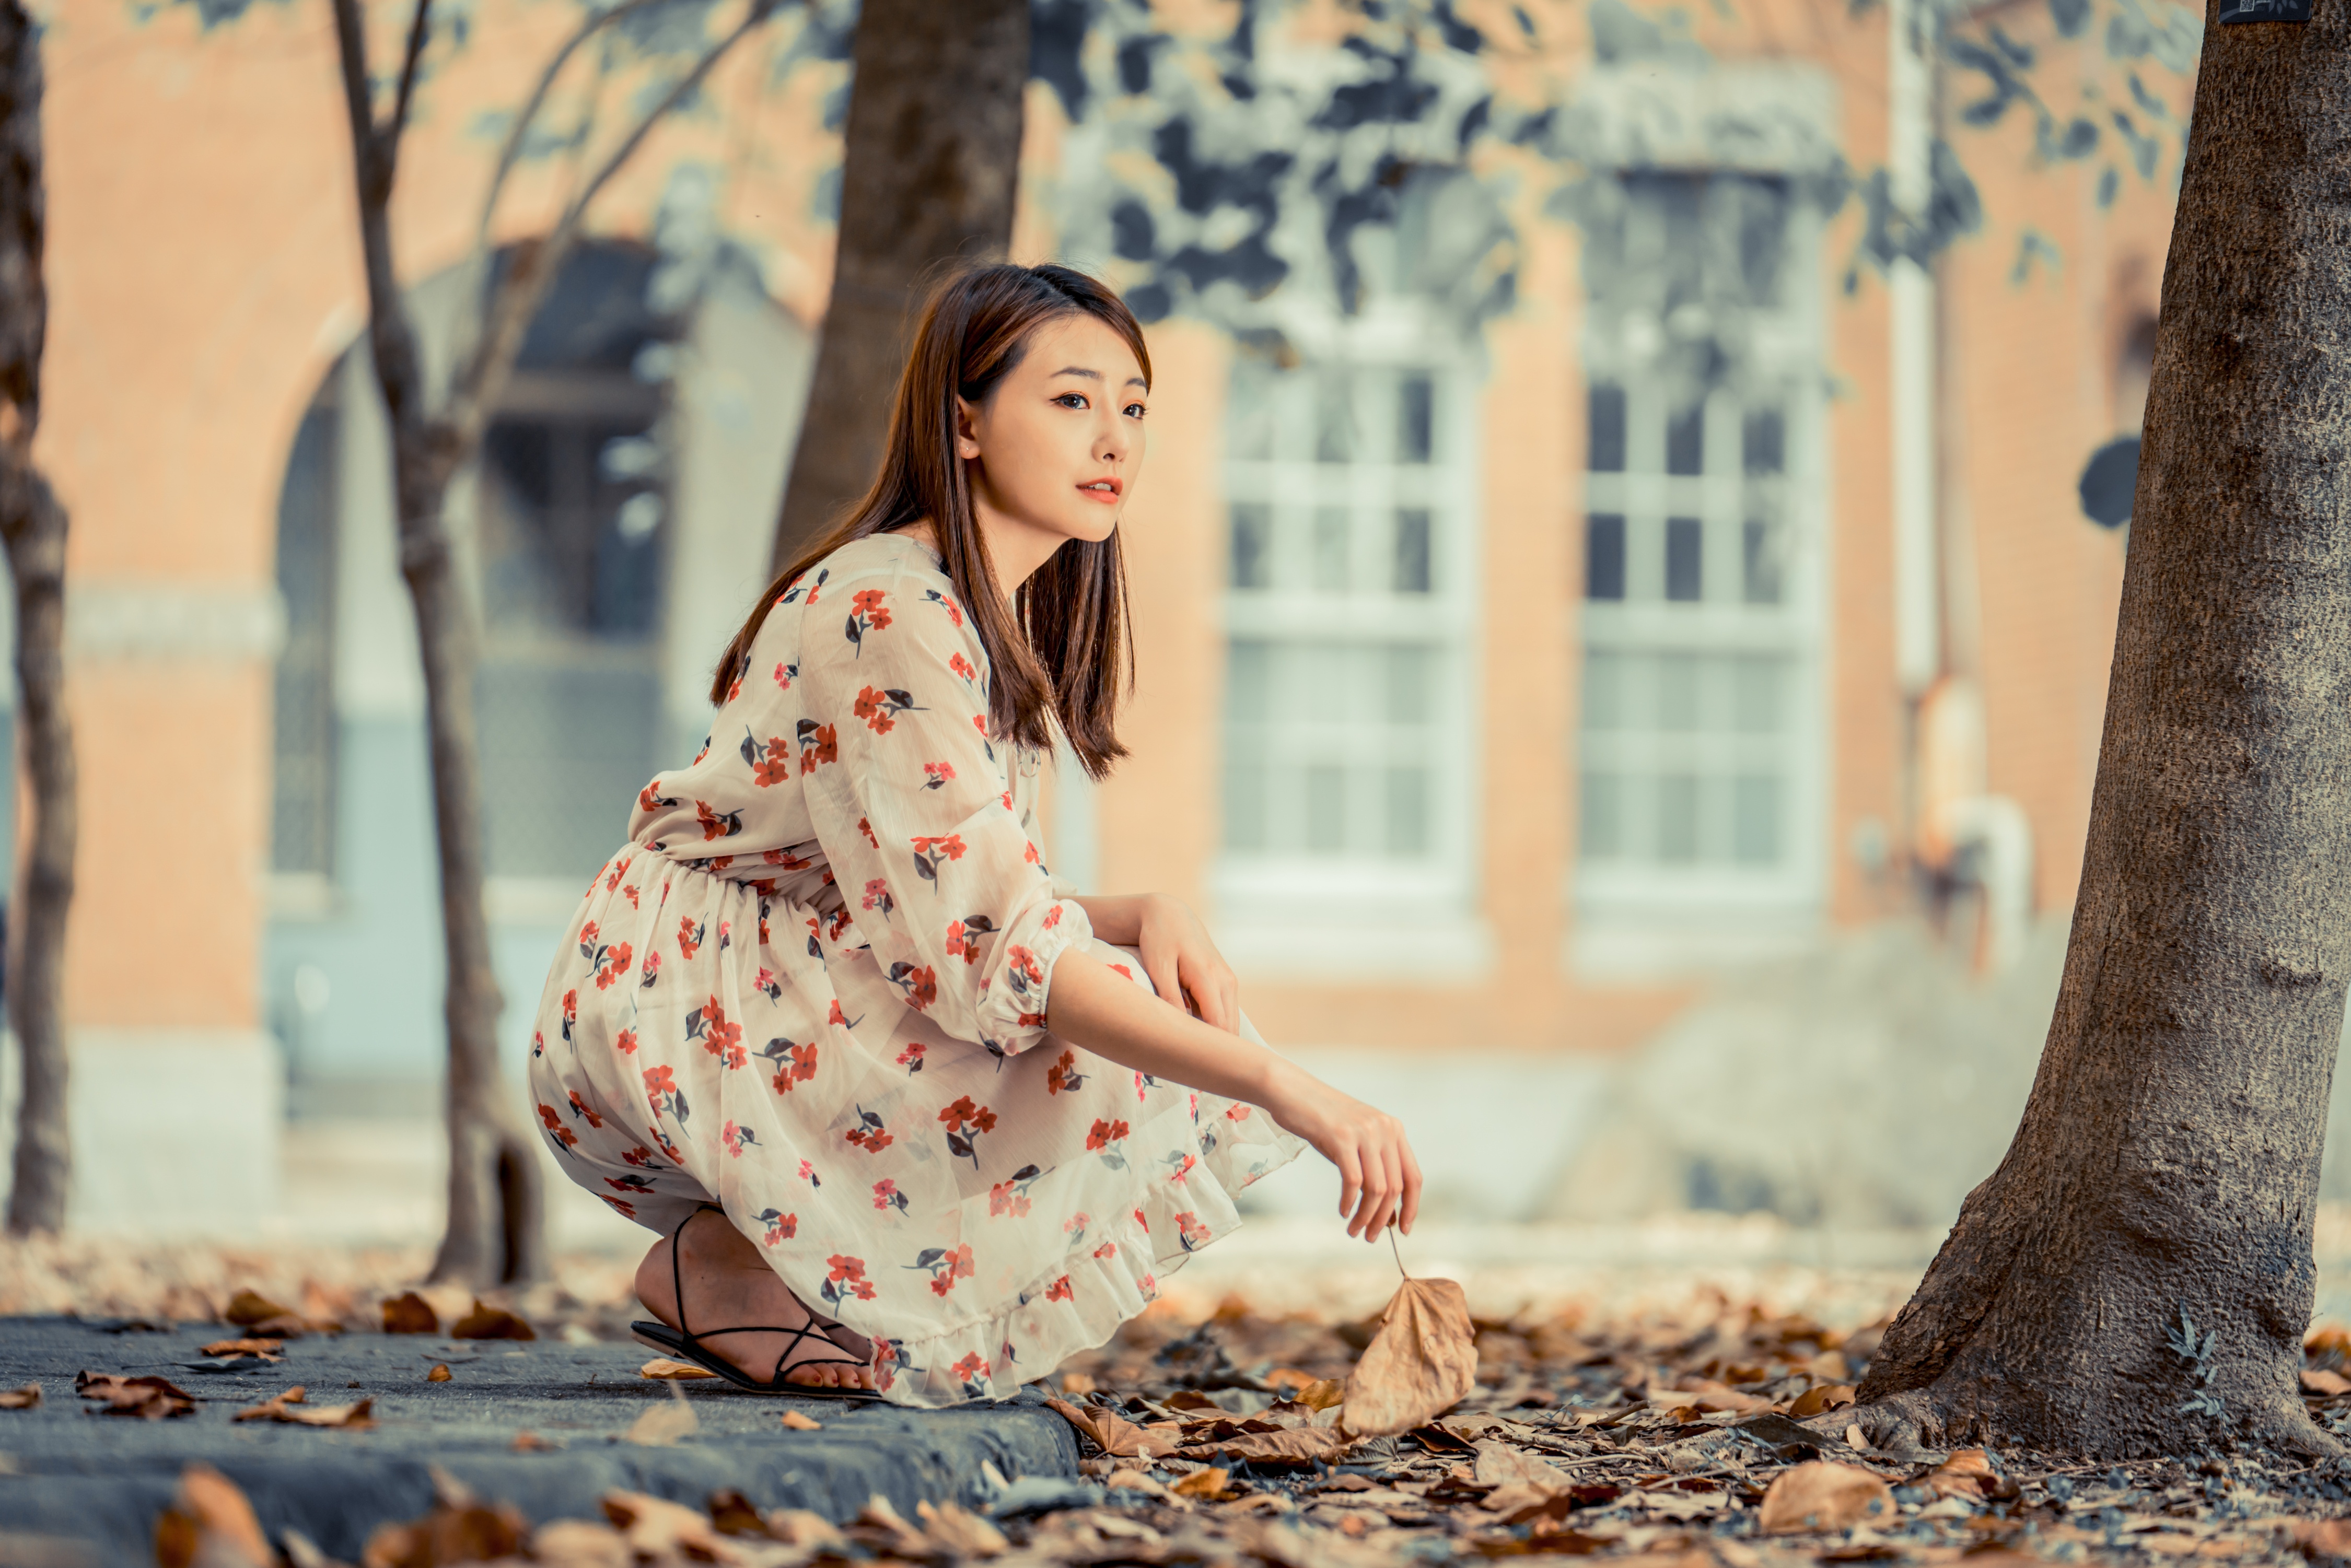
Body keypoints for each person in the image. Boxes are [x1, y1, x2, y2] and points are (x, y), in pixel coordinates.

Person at [527, 262, 1423, 1406]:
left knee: (1117, 980)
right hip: (682, 993)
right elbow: (1002, 950)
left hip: (754, 968)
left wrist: (1149, 908)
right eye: (1071, 399)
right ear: (964, 422)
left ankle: (756, 1273)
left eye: (1135, 406)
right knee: (1094, 1018)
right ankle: (737, 1271)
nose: (1114, 438)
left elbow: (957, 891)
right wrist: (1287, 1086)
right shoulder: (893, 610)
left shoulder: (966, 611)